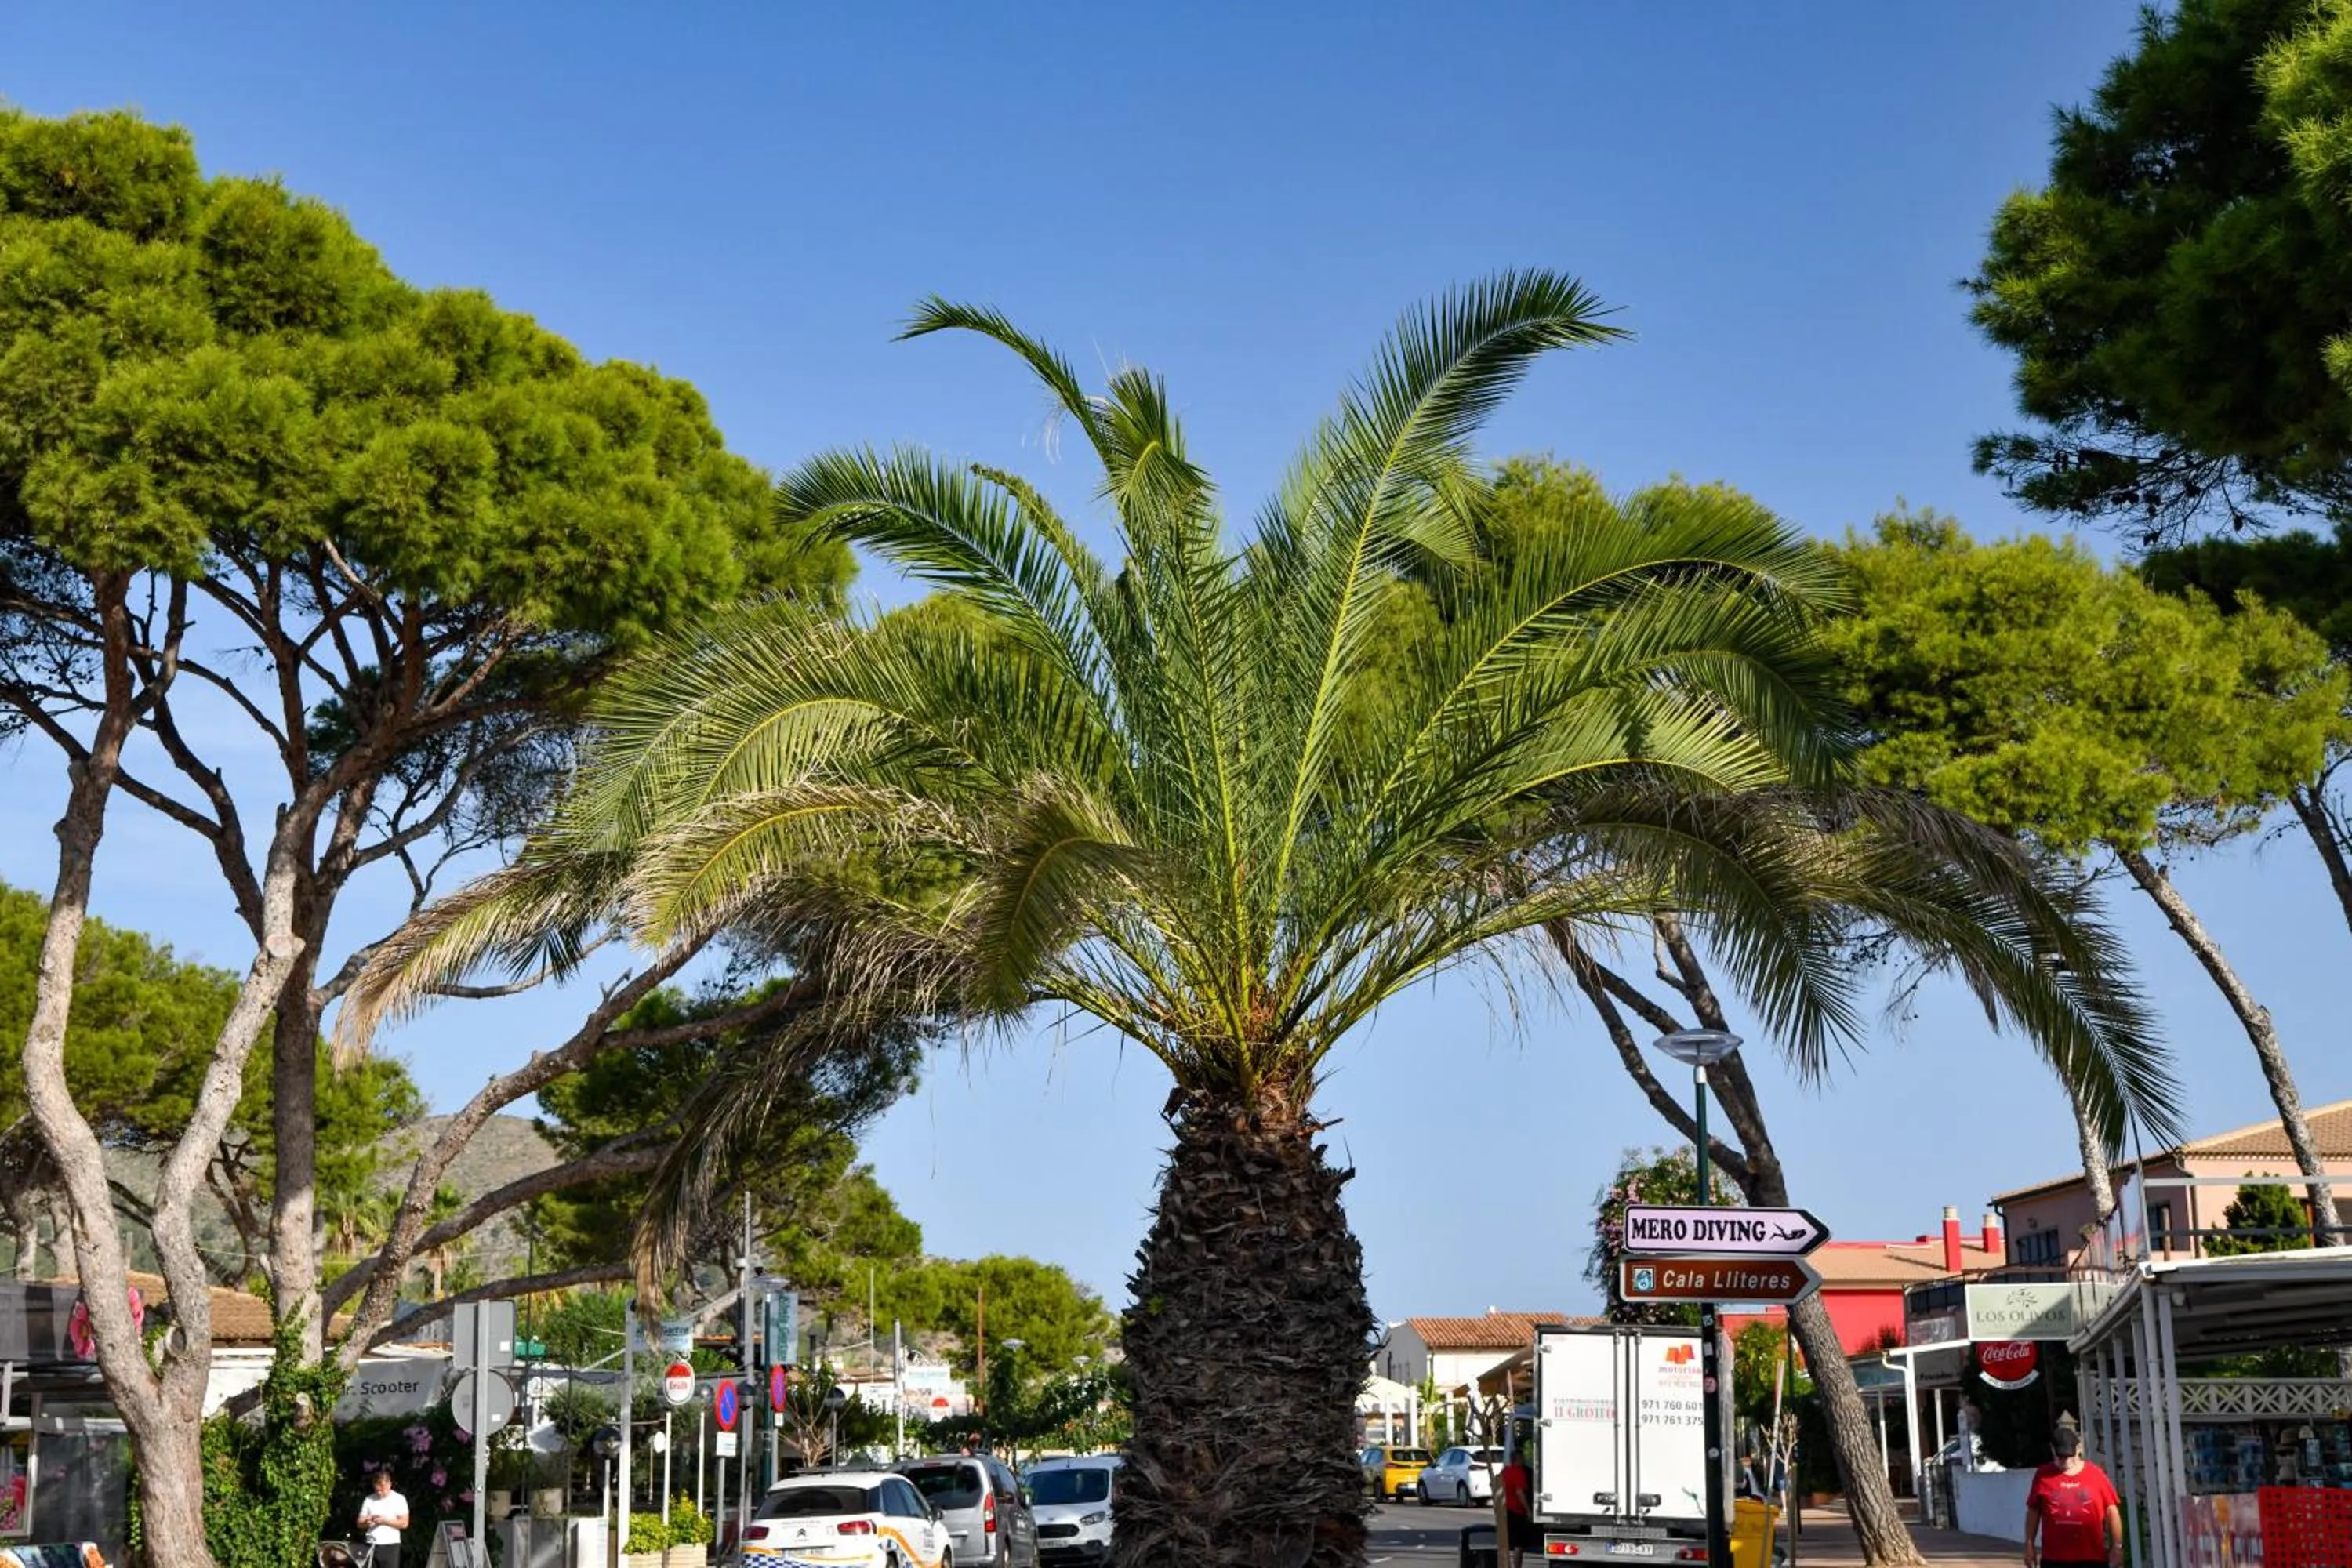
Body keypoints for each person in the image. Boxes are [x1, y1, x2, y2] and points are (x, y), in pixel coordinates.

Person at [2023, 1427, 2122, 1568]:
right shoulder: (2043, 1475)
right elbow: (2033, 1511)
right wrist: (2029, 1544)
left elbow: (2111, 1511)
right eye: (2061, 1457)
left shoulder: (2096, 1474)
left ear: (2079, 1449)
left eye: (2070, 1456)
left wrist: (2117, 1546)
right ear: (2052, 1450)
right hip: (2054, 1559)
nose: (2066, 1461)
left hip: (2092, 1558)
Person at [357, 1468, 410, 1568]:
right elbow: (359, 1523)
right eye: (377, 1489)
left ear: (390, 1484)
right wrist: (367, 1522)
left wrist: (385, 1521)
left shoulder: (399, 1499)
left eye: (382, 1488)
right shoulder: (369, 1499)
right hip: (371, 1544)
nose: (380, 1492)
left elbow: (404, 1523)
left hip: (391, 1545)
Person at [1499, 1443, 1537, 1568]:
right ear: (1518, 1459)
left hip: (1504, 1511)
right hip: (1516, 1512)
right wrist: (1528, 1510)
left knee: (1507, 1542)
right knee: (1518, 1545)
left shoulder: (1504, 1472)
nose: (1524, 1461)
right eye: (1522, 1458)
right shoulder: (1518, 1472)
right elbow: (1520, 1492)